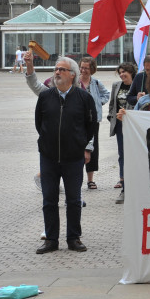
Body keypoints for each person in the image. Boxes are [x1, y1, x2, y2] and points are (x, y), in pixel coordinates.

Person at [35, 57, 97, 254]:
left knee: (73, 200)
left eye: (62, 69)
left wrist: (81, 145)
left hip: (73, 158)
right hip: (49, 157)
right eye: (56, 69)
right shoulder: (45, 97)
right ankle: (51, 240)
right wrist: (48, 141)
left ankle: (73, 238)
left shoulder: (83, 98)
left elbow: (91, 126)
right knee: (49, 199)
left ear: (73, 74)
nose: (57, 72)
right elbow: (39, 123)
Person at [78, 56, 109, 191]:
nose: (83, 70)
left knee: (92, 150)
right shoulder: (75, 82)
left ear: (92, 69)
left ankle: (90, 180)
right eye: (82, 67)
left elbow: (106, 95)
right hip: (77, 120)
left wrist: (98, 103)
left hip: (93, 121)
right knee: (77, 149)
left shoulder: (96, 82)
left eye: (86, 68)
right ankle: (76, 179)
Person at [107, 62, 135, 205]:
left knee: (135, 155)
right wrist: (110, 115)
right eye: (120, 72)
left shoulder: (137, 85)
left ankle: (135, 186)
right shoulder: (116, 85)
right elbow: (113, 102)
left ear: (131, 72)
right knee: (123, 155)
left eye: (125, 72)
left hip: (134, 127)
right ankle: (124, 187)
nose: (122, 74)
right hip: (120, 125)